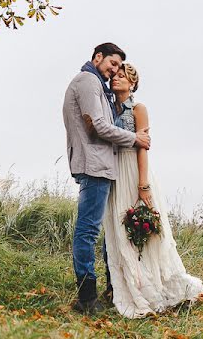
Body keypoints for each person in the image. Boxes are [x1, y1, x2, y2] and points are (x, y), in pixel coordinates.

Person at [103, 63, 203, 317]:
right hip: (115, 173)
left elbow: (143, 148)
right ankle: (126, 285)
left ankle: (156, 287)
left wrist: (143, 184)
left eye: (122, 76)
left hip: (134, 171)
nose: (116, 79)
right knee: (119, 231)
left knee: (143, 231)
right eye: (115, 75)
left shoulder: (138, 109)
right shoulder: (108, 108)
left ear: (132, 83)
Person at [62, 43, 152, 314]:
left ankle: (112, 286)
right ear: (97, 57)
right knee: (88, 230)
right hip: (95, 165)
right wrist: (135, 138)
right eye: (112, 63)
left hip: (101, 165)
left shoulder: (98, 85)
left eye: (118, 67)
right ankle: (86, 297)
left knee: (104, 231)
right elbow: (99, 126)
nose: (114, 70)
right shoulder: (88, 81)